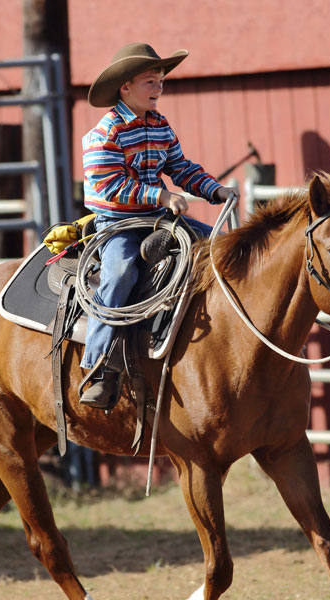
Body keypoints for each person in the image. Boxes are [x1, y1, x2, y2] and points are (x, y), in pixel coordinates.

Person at [79, 42, 238, 409]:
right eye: (151, 81)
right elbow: (109, 186)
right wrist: (161, 197)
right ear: (126, 87)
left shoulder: (159, 125)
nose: (159, 87)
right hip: (118, 222)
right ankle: (99, 365)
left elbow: (180, 167)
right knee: (119, 273)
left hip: (156, 220)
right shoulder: (105, 133)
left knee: (222, 251)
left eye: (161, 80)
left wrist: (215, 190)